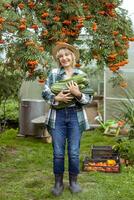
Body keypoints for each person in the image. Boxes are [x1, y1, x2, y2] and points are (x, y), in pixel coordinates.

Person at [42, 42, 92, 196]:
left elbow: (88, 98)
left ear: (72, 57)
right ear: (59, 59)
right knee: (58, 152)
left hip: (75, 116)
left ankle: (73, 182)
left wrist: (77, 94)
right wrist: (55, 97)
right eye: (61, 56)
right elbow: (45, 92)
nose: (64, 58)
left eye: (67, 55)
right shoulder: (54, 73)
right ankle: (58, 183)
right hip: (58, 116)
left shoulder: (81, 75)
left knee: (74, 152)